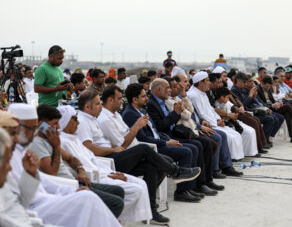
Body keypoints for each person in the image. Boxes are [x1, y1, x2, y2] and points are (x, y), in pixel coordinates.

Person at [77, 89, 201, 225]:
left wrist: (129, 134)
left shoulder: (97, 118)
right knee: (144, 149)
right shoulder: (86, 121)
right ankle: (176, 172)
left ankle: (151, 210)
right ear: (87, 107)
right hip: (110, 159)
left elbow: (121, 140)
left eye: (100, 103)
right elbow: (90, 149)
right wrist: (134, 128)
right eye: (97, 104)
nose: (100, 106)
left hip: (117, 153)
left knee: (152, 166)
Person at [8, 103, 121, 227]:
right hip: (34, 207)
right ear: (17, 128)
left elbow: (49, 177)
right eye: (32, 128)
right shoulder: (29, 146)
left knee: (91, 197)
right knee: (92, 200)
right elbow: (51, 174)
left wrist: (74, 187)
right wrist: (56, 146)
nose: (58, 127)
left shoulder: (23, 150)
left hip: (56, 193)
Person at [123, 83, 222, 203]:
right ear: (135, 99)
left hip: (162, 139)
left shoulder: (141, 110)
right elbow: (144, 138)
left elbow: (155, 131)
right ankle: (182, 191)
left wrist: (166, 140)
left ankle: (195, 185)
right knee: (187, 151)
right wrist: (165, 143)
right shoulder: (130, 114)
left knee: (198, 145)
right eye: (143, 96)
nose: (146, 98)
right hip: (153, 147)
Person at [145, 78, 221, 194]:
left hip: (172, 134)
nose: (169, 91)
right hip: (165, 137)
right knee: (193, 147)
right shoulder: (152, 104)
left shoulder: (161, 101)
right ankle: (184, 190)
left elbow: (173, 120)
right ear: (159, 90)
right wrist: (176, 113)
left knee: (204, 143)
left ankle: (203, 181)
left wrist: (176, 114)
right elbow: (160, 126)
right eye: (167, 88)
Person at [0, 110, 48, 227]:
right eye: (13, 134)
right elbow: (2, 219)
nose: (17, 140)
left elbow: (16, 204)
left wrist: (29, 174)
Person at [187, 72, 247, 162]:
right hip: (208, 124)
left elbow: (211, 109)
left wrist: (219, 119)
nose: (209, 83)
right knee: (226, 136)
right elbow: (201, 114)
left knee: (235, 134)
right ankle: (226, 163)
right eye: (207, 80)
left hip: (213, 121)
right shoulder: (194, 95)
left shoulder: (203, 93)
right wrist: (216, 123)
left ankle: (233, 159)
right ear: (200, 82)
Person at [240, 74, 284, 146]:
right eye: (249, 81)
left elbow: (260, 102)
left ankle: (266, 138)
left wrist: (267, 108)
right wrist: (250, 96)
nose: (252, 83)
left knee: (276, 117)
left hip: (260, 110)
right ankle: (263, 140)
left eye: (252, 81)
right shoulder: (245, 92)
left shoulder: (253, 90)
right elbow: (243, 105)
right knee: (271, 118)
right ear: (245, 83)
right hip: (252, 112)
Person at [257, 76, 292, 143]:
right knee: (288, 106)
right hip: (267, 109)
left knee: (287, 114)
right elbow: (261, 103)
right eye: (266, 86)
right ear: (262, 83)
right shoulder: (258, 91)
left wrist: (277, 103)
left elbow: (272, 99)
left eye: (269, 86)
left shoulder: (268, 89)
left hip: (274, 107)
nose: (268, 88)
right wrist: (273, 105)